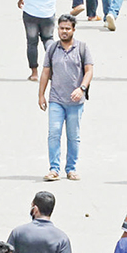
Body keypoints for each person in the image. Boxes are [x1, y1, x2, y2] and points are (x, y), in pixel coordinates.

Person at [39, 15, 93, 181]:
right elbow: (46, 72)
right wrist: (41, 94)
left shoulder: (82, 48)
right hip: (56, 99)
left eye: (67, 28)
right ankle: (54, 169)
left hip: (75, 102)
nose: (64, 31)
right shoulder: (52, 49)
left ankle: (71, 168)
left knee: (73, 136)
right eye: (61, 28)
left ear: (73, 30)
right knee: (54, 133)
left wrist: (81, 89)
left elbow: (89, 71)